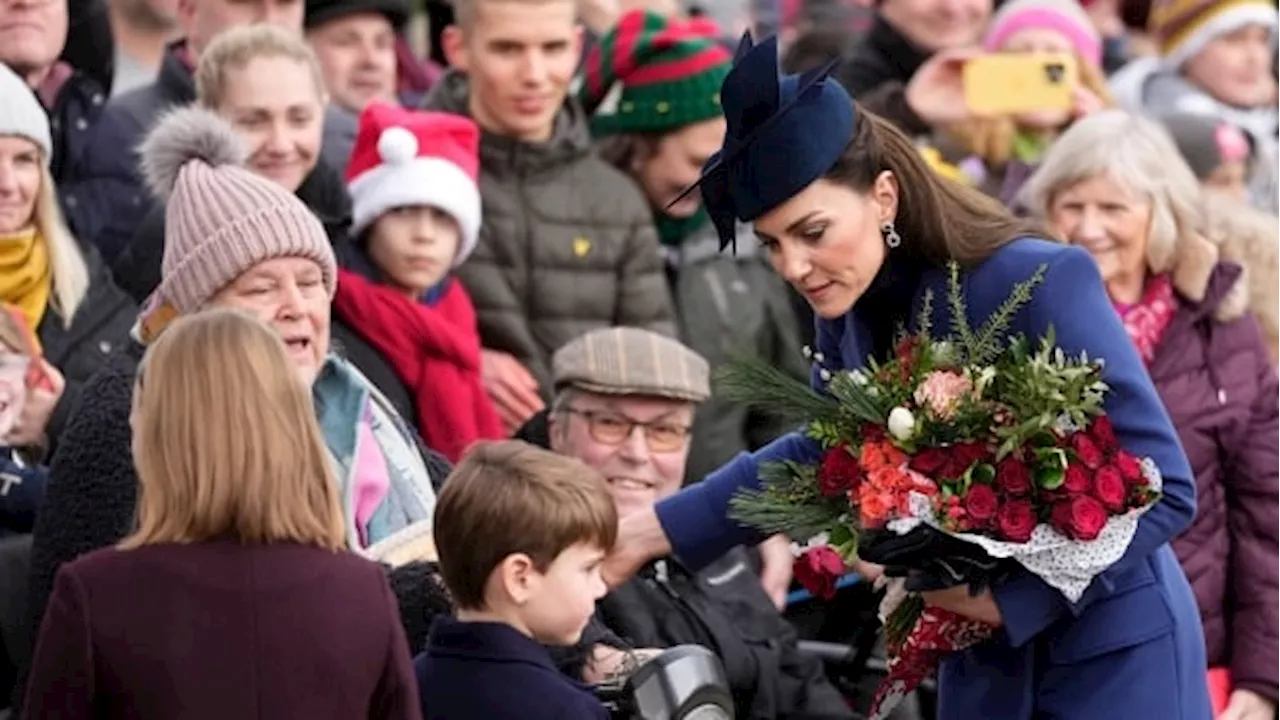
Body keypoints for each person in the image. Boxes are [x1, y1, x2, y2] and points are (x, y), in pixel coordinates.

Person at [603, 34, 1210, 719]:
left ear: (884, 196)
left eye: (812, 231)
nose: (793, 267)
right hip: (981, 669)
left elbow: (1165, 490)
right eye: (772, 243)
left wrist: (1005, 601)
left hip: (1113, 660)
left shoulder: (1038, 280)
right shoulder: (849, 303)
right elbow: (829, 449)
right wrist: (651, 531)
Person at [14, 105, 450, 714]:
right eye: (262, 288)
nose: (297, 306)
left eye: (310, 281)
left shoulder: (352, 394)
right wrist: (401, 595)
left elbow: (470, 515)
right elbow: (208, 627)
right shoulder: (126, 415)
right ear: (198, 315)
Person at [22, 308, 421, 719]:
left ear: (163, 436)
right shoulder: (362, 593)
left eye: (140, 410)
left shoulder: (95, 595)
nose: (130, 424)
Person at [1022, 110, 1280, 720]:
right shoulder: (1019, 322)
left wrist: (1264, 677)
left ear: (1158, 213)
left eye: (1114, 208)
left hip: (1199, 650)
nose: (1089, 228)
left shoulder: (1220, 327)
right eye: (1071, 205)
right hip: (1063, 651)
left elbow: (1267, 514)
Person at [537, 326, 856, 719]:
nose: (637, 453)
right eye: (609, 423)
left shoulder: (718, 546)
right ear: (557, 432)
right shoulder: (530, 559)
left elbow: (797, 680)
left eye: (664, 431)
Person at [424, 0, 675, 433]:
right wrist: (462, 363)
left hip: (580, 483)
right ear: (457, 48)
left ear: (578, 46)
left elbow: (654, 372)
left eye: (553, 48)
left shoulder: (615, 199)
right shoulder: (406, 177)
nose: (535, 75)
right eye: (507, 49)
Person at [111, 23, 351, 306]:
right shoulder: (176, 240)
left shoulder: (338, 212)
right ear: (206, 116)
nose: (281, 145)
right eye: (253, 121)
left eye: (299, 119)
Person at [334, 101, 504, 462]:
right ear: (369, 223)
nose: (424, 235)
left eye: (442, 217)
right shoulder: (334, 316)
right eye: (402, 211)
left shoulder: (454, 314)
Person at [415, 439, 614, 720]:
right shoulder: (565, 710)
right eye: (588, 569)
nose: (600, 588)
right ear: (520, 578)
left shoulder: (407, 686)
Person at [0, 63, 136, 456]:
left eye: (25, 160)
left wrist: (59, 415)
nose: (9, 184)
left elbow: (156, 428)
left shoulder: (94, 292)